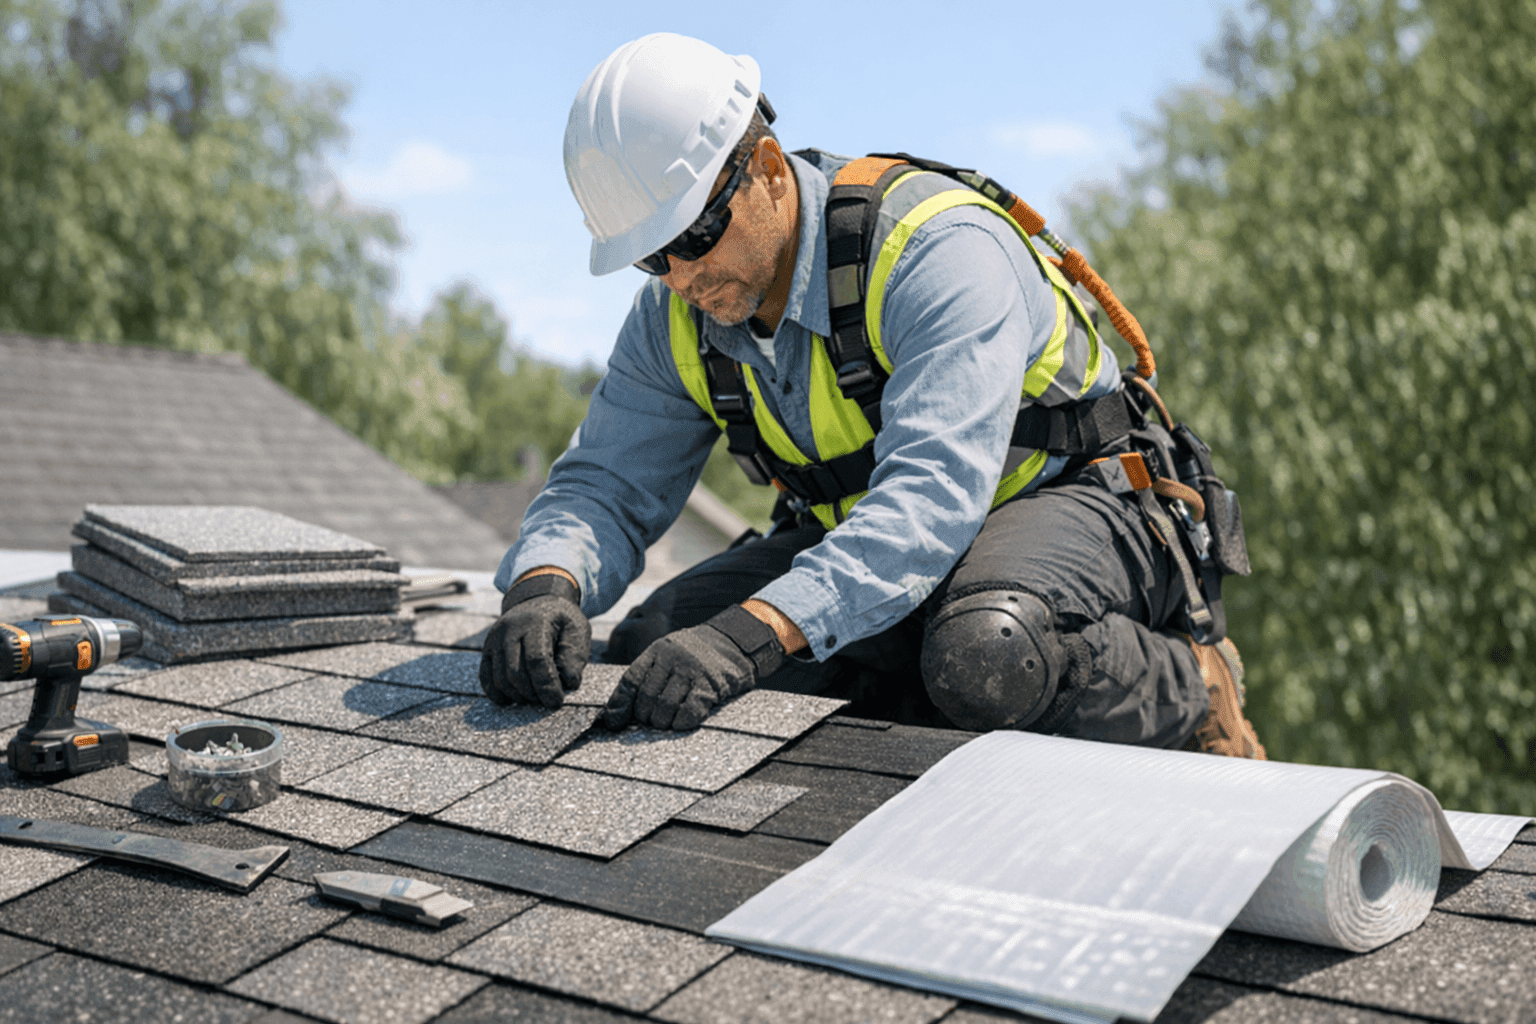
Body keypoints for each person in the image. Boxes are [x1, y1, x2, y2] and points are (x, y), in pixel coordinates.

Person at [478, 33, 1264, 757]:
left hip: (1070, 506)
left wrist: (748, 639)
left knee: (986, 650)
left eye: (695, 236)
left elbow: (930, 502)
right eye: (655, 258)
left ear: (770, 171)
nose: (682, 277)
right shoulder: (678, 317)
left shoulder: (936, 252)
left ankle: (1190, 687)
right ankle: (919, 707)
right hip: (878, 541)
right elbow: (605, 481)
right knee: (656, 651)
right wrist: (547, 583)